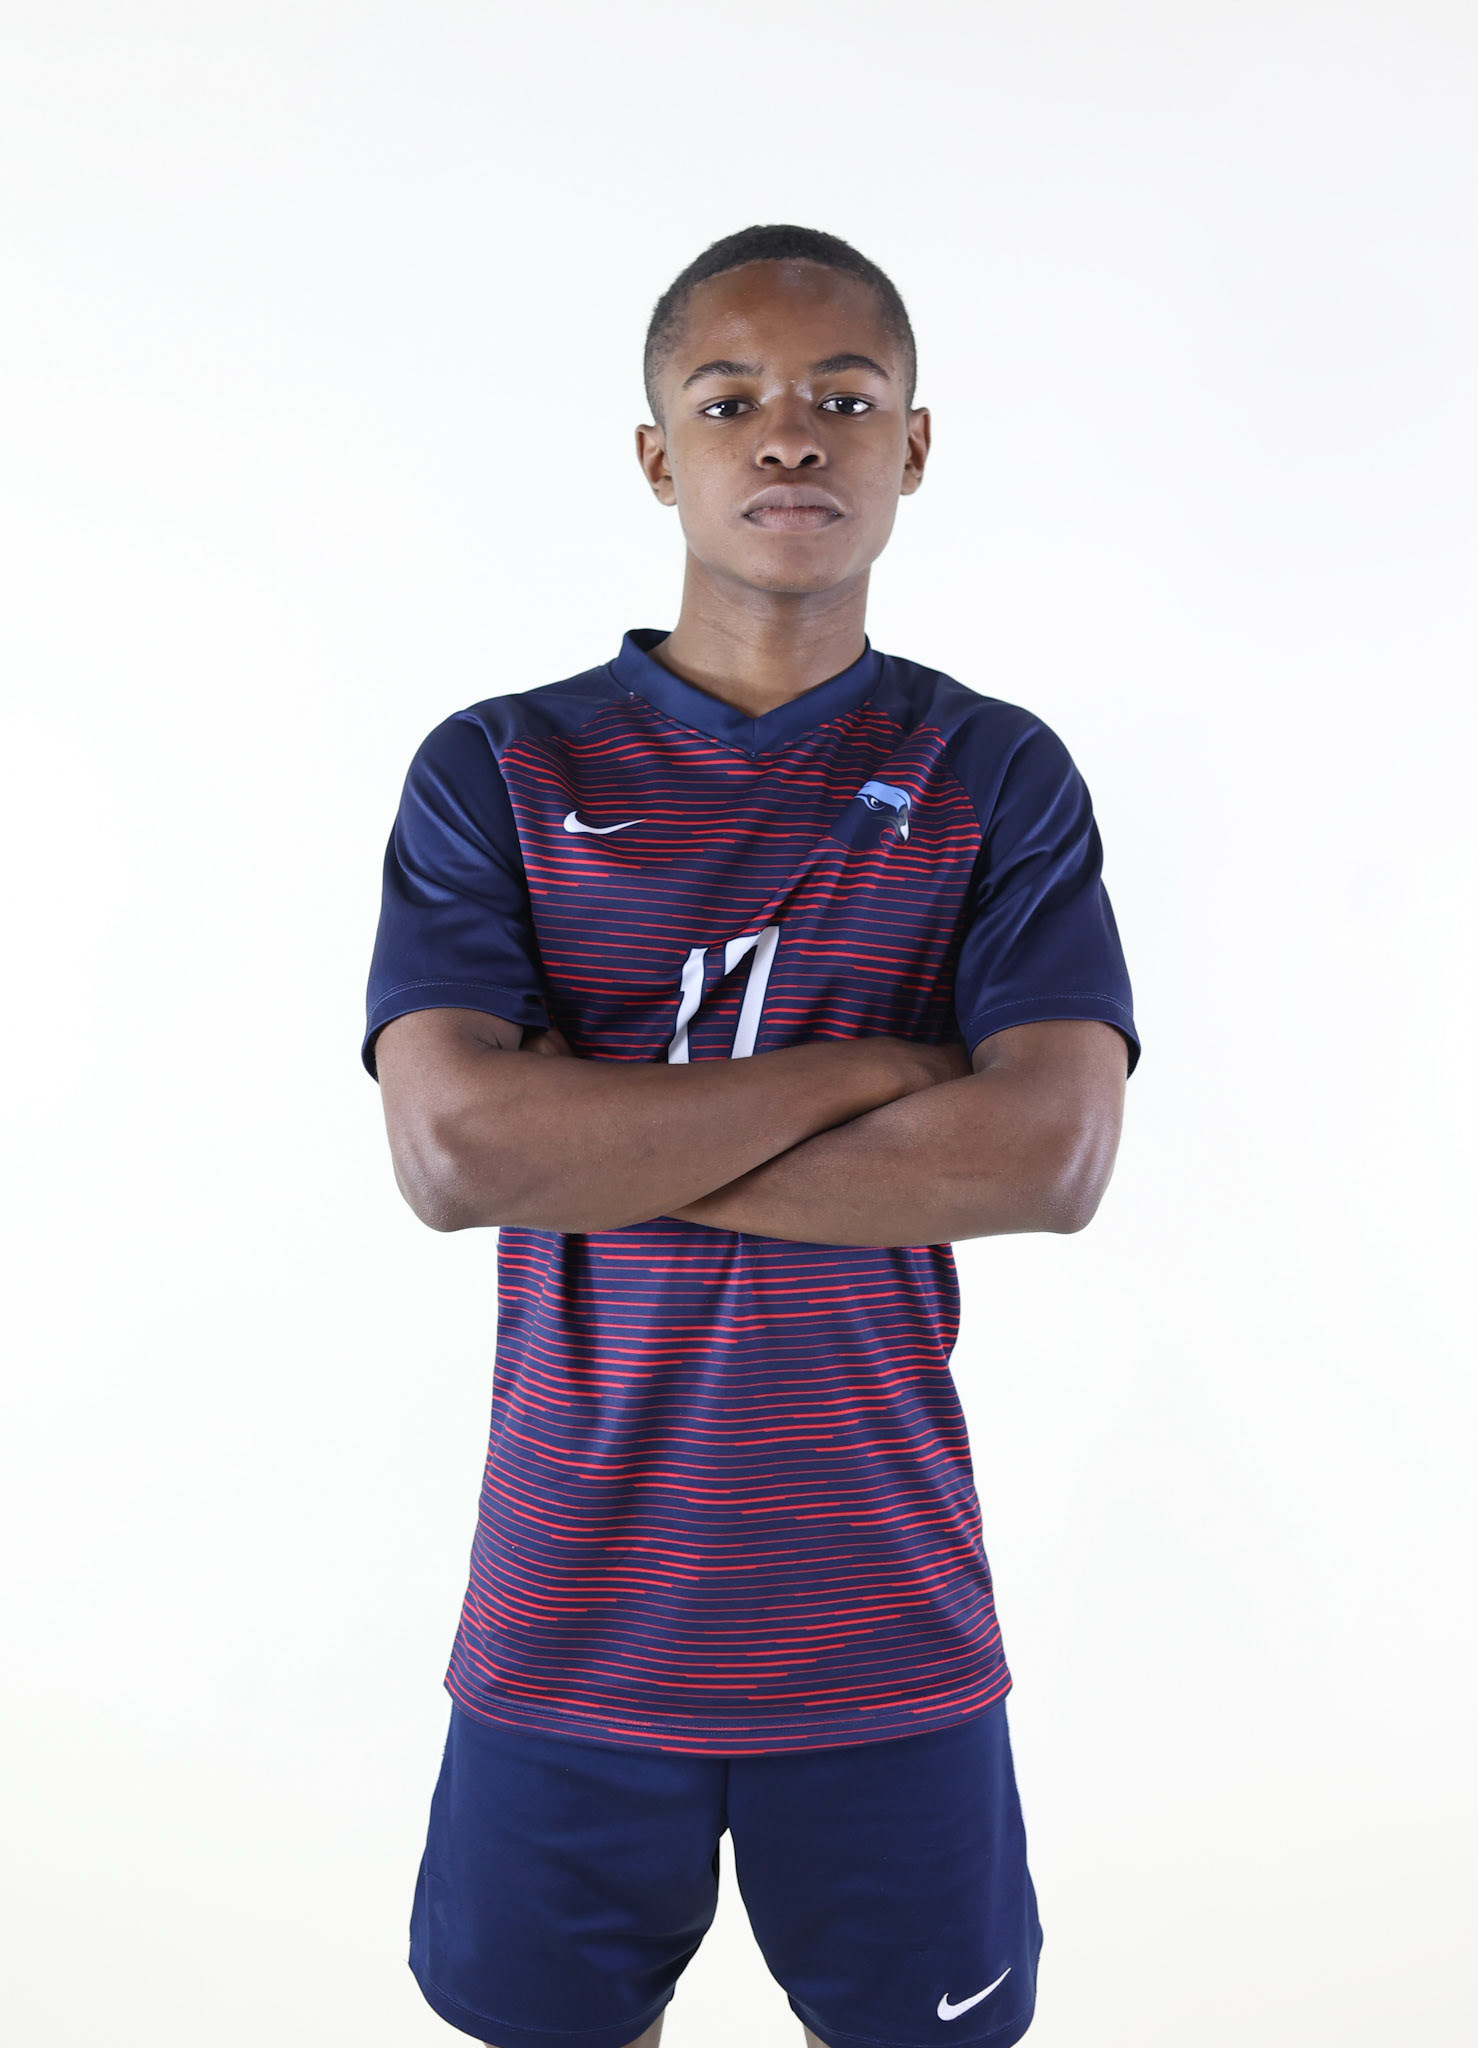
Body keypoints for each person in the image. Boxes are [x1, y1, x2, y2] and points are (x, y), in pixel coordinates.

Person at [363, 223, 1139, 2048]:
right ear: (660, 455)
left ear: (911, 447)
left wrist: (601, 1128)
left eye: (841, 399)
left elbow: (1046, 1161)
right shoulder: (497, 771)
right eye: (732, 400)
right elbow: (457, 1157)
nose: (789, 436)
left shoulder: (993, 777)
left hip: (880, 1622)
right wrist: (869, 1065)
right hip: (568, 1615)